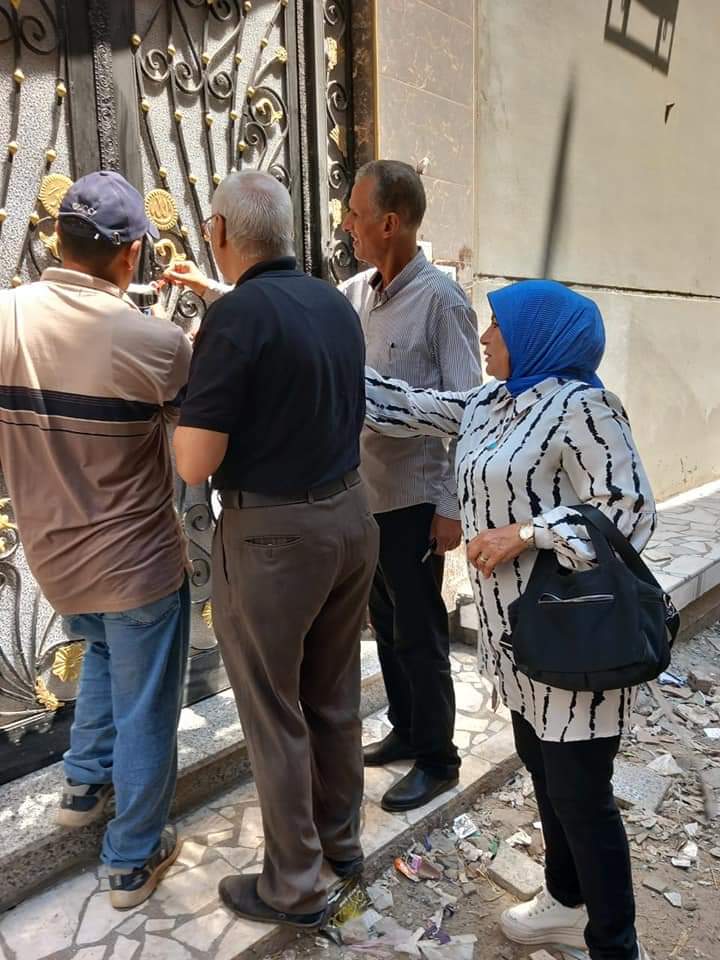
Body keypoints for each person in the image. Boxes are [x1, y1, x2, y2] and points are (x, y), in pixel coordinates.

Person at [364, 279, 655, 960]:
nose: (486, 336)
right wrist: (320, 346)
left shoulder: (584, 406)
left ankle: (616, 946)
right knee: (543, 771)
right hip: (516, 644)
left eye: (498, 325)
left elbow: (628, 511)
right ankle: (565, 902)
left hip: (574, 639)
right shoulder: (489, 403)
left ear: (537, 335)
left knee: (583, 796)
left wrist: (527, 534)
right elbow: (404, 405)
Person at [173, 170, 379, 929]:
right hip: (350, 516)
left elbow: (194, 462)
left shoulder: (234, 318)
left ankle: (293, 887)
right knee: (332, 695)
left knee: (274, 709)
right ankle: (341, 844)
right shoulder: (333, 302)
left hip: (274, 537)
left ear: (222, 232)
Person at [0, 171, 192, 909]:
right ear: (132, 252)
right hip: (137, 562)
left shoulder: (9, 314)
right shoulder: (152, 340)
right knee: (147, 706)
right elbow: (194, 436)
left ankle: (83, 784)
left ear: (57, 238)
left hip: (53, 556)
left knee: (104, 658)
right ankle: (131, 859)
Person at [339, 160, 481, 812]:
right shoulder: (356, 294)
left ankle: (438, 759)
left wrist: (451, 508)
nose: (347, 225)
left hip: (416, 502)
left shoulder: (442, 303)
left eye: (356, 214)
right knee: (388, 625)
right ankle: (406, 729)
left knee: (421, 635)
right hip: (367, 498)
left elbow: (470, 412)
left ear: (389, 222)